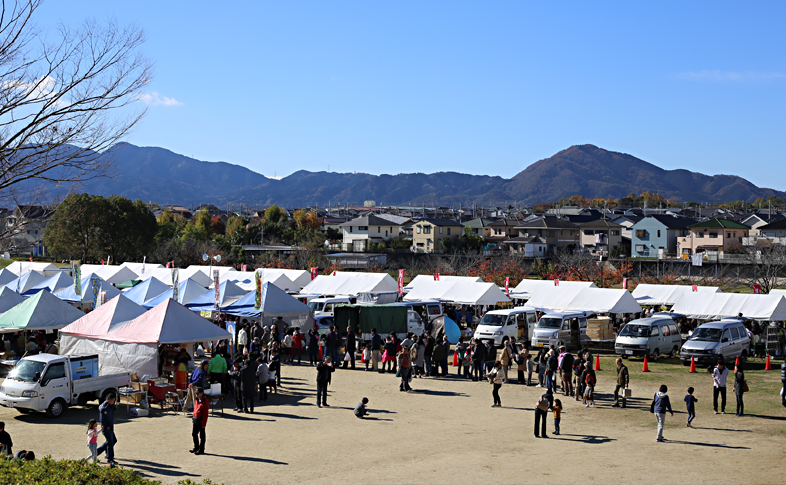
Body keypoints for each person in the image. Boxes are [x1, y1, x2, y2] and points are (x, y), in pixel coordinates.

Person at [96, 393, 117, 467]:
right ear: (109, 400)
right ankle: (109, 458)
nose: (113, 402)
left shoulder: (110, 405)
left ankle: (100, 452)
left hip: (110, 426)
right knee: (110, 442)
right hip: (107, 428)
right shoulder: (105, 407)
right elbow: (102, 419)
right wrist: (106, 426)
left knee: (113, 440)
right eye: (113, 400)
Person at [190, 387, 209, 455]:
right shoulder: (196, 400)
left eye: (198, 393)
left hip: (201, 420)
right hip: (195, 419)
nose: (196, 395)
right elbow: (195, 409)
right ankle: (196, 447)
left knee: (202, 435)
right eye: (196, 393)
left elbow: (205, 413)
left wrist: (204, 423)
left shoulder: (205, 401)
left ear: (202, 393)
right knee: (194, 434)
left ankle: (201, 449)